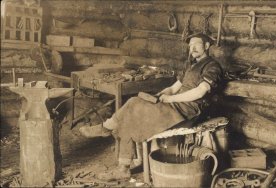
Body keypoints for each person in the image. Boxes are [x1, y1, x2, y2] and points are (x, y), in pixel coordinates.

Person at [79, 32, 223, 181]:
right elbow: (174, 87)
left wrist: (170, 99)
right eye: (190, 45)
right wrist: (162, 94)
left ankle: (109, 133)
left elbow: (200, 92)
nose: (192, 48)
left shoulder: (212, 66)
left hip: (189, 111)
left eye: (196, 44)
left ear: (206, 46)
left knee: (133, 106)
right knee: (133, 106)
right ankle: (115, 149)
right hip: (175, 105)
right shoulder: (190, 65)